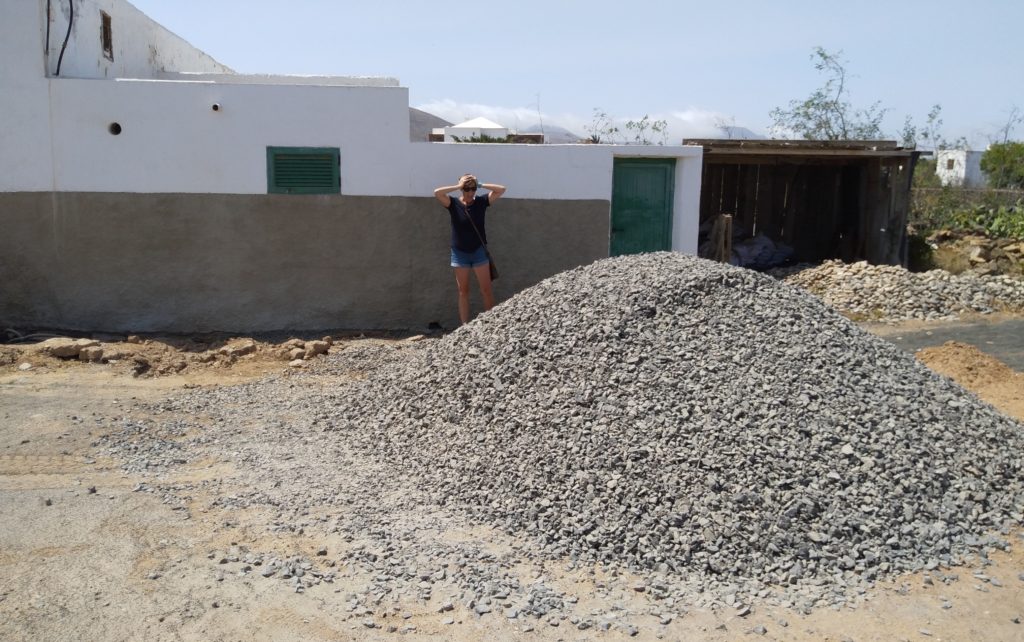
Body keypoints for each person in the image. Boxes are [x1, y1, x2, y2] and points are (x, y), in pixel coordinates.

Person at [433, 174, 507, 325]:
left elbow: (501, 189)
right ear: (461, 189)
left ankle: (490, 324)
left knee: (486, 290)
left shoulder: (481, 202)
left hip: (479, 251)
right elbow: (437, 193)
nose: (470, 192)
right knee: (463, 291)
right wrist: (458, 186)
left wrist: (480, 184)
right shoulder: (453, 204)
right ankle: (465, 326)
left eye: (473, 189)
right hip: (459, 253)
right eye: (466, 189)